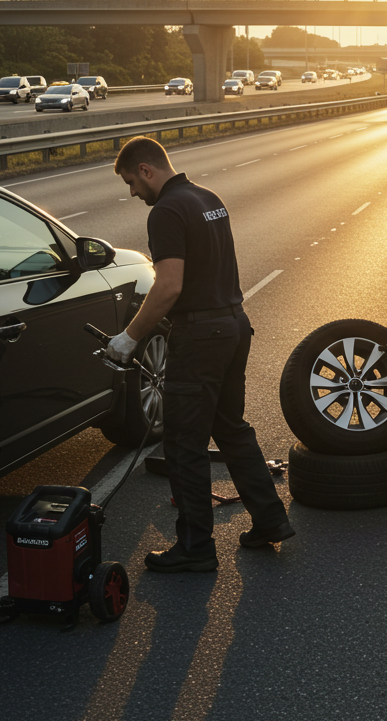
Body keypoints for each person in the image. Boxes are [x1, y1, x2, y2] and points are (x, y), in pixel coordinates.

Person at [106, 136, 294, 572]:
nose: (133, 193)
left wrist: (129, 338)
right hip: (233, 324)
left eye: (132, 182)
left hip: (200, 337)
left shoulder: (167, 210)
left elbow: (169, 285)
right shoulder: (208, 197)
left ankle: (194, 547)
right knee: (231, 429)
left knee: (183, 444)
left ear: (147, 170)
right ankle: (270, 520)